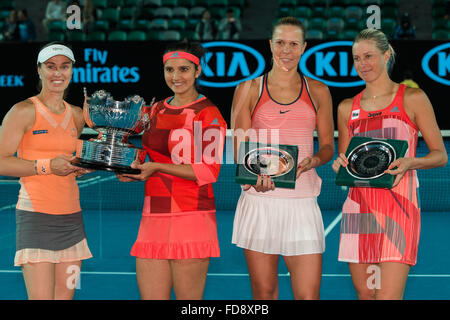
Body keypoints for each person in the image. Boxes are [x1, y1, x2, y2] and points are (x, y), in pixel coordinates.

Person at [332, 28, 447, 300]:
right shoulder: (347, 107)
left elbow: (440, 155)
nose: (363, 64)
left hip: (399, 211)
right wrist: (341, 165)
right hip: (359, 211)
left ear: (387, 54)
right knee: (366, 295)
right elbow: (349, 161)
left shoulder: (411, 98)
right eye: (357, 58)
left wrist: (410, 163)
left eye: (369, 56)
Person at [231, 17, 335, 300]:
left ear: (303, 47)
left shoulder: (319, 91)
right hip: (260, 201)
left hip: (302, 204)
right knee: (264, 294)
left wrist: (314, 160)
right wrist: (252, 179)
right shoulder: (249, 88)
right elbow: (240, 148)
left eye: (293, 44)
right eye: (280, 43)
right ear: (270, 45)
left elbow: (327, 146)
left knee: (308, 295)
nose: (286, 50)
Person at [117, 41, 227, 300]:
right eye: (169, 70)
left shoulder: (208, 113)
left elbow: (209, 171)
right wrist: (128, 168)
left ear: (197, 71)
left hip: (191, 214)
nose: (176, 77)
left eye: (184, 69)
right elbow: (148, 156)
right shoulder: (155, 109)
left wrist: (155, 167)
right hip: (154, 214)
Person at [0, 42, 92, 299]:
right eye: (50, 67)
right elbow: (1, 161)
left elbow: (81, 157)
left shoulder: (77, 115)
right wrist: (46, 166)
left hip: (73, 220)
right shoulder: (22, 111)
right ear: (39, 70)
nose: (57, 73)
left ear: (72, 71)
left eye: (65, 66)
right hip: (35, 218)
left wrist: (82, 168)